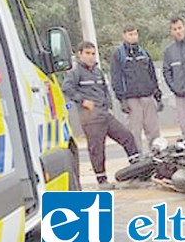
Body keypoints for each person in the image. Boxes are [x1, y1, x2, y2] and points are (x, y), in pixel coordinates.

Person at [62, 41, 140, 190]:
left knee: (127, 136)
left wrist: (109, 106)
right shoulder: (75, 73)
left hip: (104, 114)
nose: (91, 57)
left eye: (93, 53)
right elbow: (66, 88)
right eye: (87, 53)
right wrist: (83, 101)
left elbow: (105, 90)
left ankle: (137, 170)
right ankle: (102, 180)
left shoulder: (98, 72)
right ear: (80, 54)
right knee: (97, 149)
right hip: (90, 117)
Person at [110, 24, 163, 153]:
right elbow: (116, 78)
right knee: (134, 133)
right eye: (130, 34)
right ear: (124, 36)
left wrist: (157, 96)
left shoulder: (143, 53)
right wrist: (122, 100)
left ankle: (158, 158)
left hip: (148, 97)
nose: (133, 37)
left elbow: (152, 75)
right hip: (131, 100)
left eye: (135, 34)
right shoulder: (119, 55)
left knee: (154, 131)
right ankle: (138, 161)